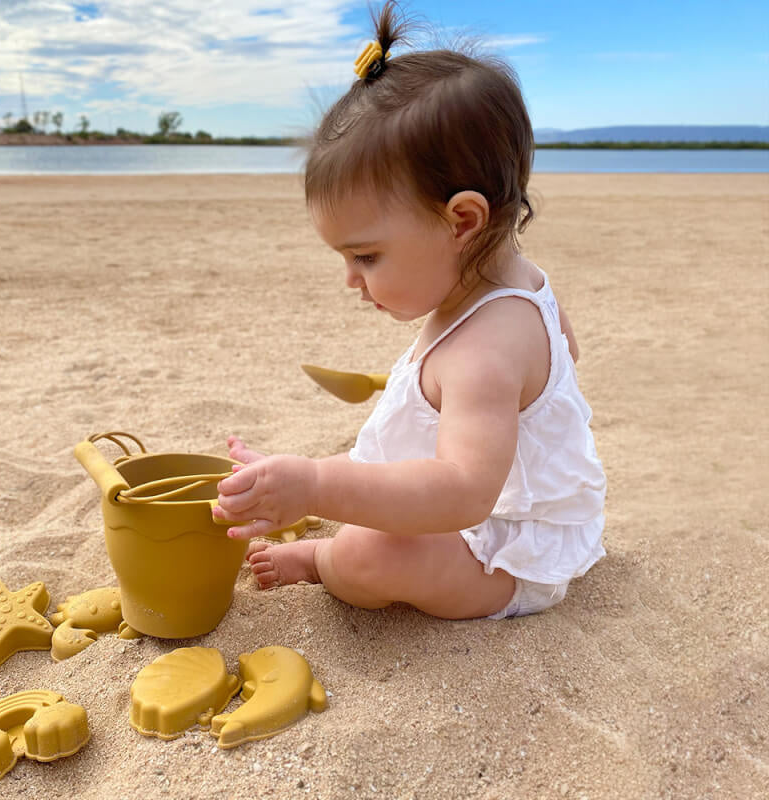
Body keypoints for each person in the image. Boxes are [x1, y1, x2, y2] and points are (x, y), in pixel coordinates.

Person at [213, 0, 606, 620]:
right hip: (487, 520)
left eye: (366, 256)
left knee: (373, 555)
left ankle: (320, 561)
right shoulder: (515, 284)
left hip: (509, 554)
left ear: (462, 221)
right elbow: (566, 356)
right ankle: (327, 525)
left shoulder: (487, 349)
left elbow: (462, 494)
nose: (350, 279)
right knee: (375, 515)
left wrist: (316, 485)